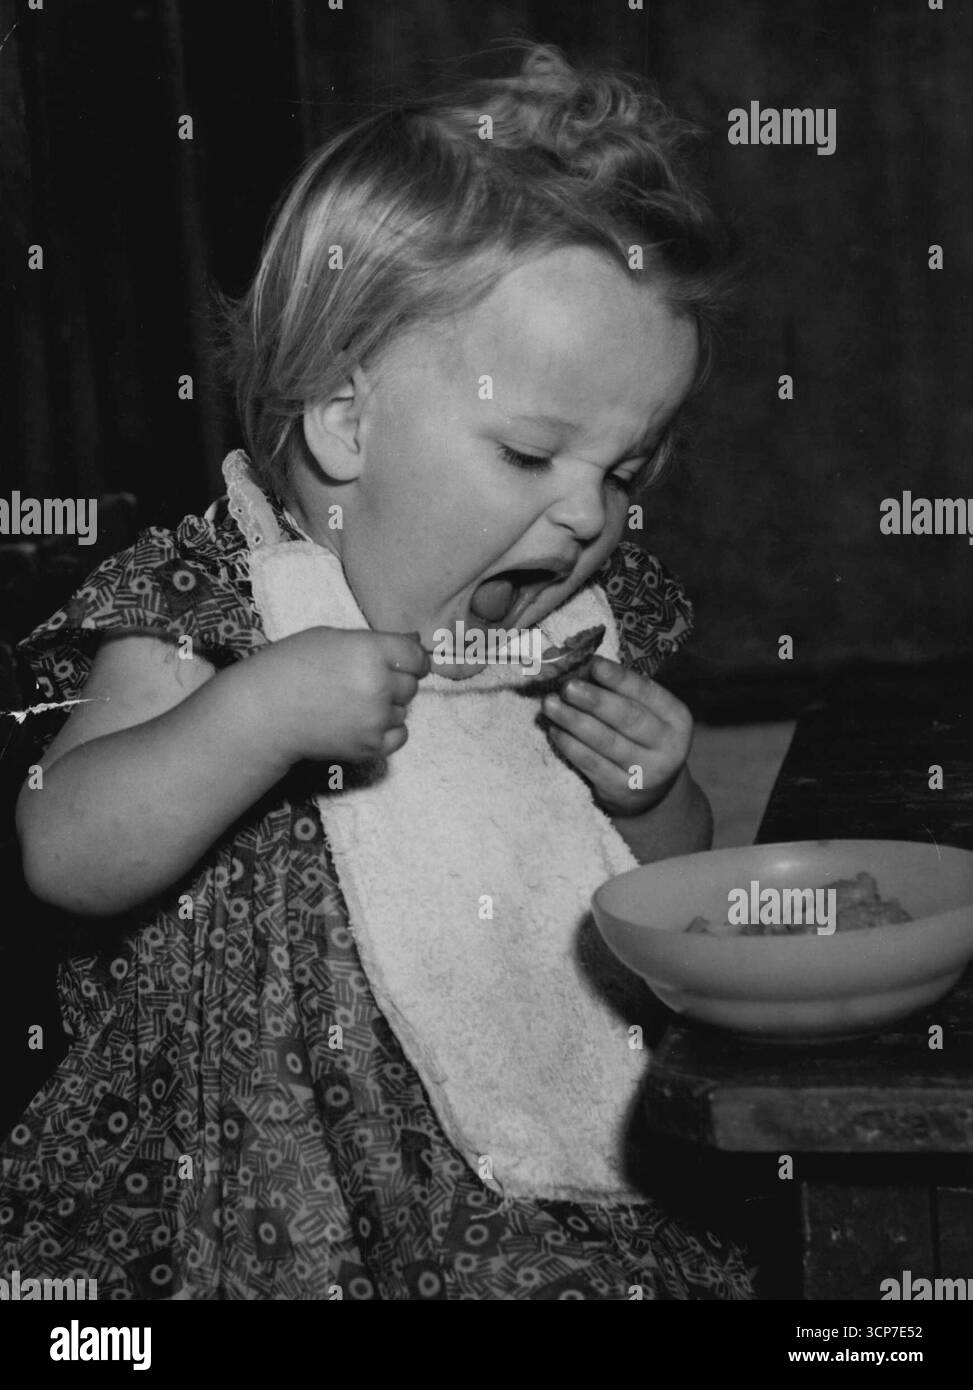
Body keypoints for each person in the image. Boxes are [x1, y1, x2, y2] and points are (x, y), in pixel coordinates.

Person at [1, 43, 753, 1299]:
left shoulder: (573, 623)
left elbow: (668, 892)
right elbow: (63, 853)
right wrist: (254, 713)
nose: (587, 520)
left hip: (518, 1189)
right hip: (234, 1195)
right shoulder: (216, 607)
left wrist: (651, 796)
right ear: (348, 422)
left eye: (624, 474)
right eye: (530, 456)